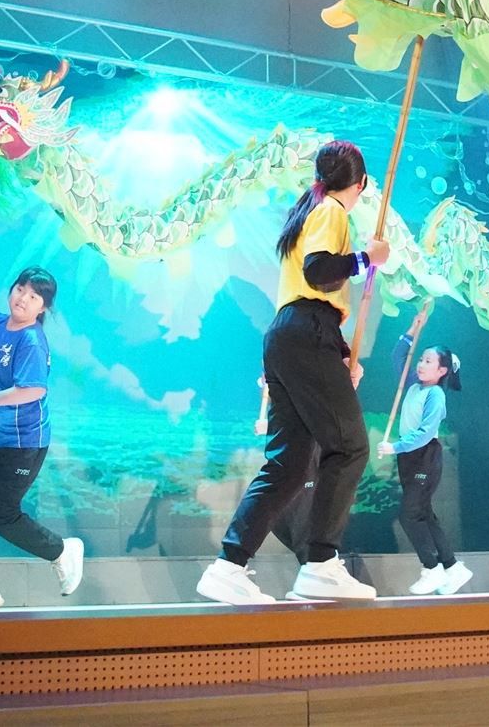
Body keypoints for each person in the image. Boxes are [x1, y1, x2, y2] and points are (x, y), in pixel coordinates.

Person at [196, 140, 390, 604]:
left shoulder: (309, 210)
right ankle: (321, 562)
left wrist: (337, 352)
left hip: (291, 334)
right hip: (306, 331)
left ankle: (228, 565)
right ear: (361, 183)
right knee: (350, 446)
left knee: (289, 464)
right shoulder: (332, 212)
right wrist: (368, 259)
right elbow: (320, 273)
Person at [0, 251, 83, 609]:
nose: (23, 298)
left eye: (34, 296)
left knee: (0, 514)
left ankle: (61, 551)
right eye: (20, 289)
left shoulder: (31, 341)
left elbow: (33, 390)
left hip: (22, 442)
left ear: (43, 307)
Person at [379, 313, 473, 595]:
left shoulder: (435, 396)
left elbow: (424, 433)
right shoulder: (412, 385)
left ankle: (431, 568)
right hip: (409, 458)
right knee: (424, 515)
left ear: (442, 371)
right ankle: (452, 567)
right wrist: (413, 328)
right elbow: (398, 356)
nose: (421, 364)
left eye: (428, 361)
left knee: (410, 515)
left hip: (424, 457)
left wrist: (395, 446)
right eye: (421, 359)